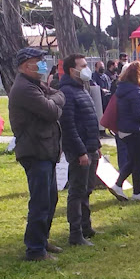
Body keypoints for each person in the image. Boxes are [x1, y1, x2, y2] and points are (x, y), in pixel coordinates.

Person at [9, 48, 66, 261]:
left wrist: (55, 100)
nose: (43, 64)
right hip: (35, 151)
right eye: (38, 61)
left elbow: (57, 98)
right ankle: (34, 249)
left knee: (50, 199)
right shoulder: (24, 88)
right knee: (41, 201)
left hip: (45, 149)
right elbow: (52, 110)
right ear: (25, 66)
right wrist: (56, 101)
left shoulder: (35, 84)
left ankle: (42, 240)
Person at [59, 54, 102, 246]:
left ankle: (86, 227)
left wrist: (96, 147)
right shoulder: (67, 92)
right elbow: (69, 126)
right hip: (80, 151)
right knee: (77, 192)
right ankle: (75, 234)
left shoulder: (81, 89)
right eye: (83, 66)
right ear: (72, 70)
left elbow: (89, 121)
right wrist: (80, 151)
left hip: (90, 148)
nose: (87, 68)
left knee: (87, 190)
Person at [112, 61, 140, 201]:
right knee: (139, 161)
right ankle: (135, 192)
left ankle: (122, 186)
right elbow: (138, 114)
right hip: (134, 129)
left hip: (125, 128)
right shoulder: (135, 90)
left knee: (132, 160)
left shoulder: (123, 88)